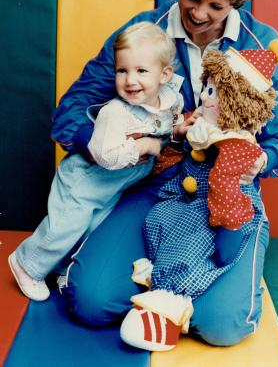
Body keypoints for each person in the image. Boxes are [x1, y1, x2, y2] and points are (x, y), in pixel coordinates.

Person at [30, 0, 278, 347]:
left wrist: (251, 159)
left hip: (226, 199)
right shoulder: (143, 32)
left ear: (237, 3)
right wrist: (118, 149)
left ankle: (211, 278)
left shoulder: (262, 48)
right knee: (90, 302)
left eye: (216, 5)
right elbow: (70, 113)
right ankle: (152, 281)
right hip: (152, 185)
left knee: (221, 326)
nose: (199, 13)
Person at [119, 40, 278, 351]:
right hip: (179, 199)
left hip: (223, 211)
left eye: (212, 93)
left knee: (219, 319)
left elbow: (229, 188)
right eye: (206, 89)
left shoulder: (234, 147)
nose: (203, 97)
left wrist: (230, 224)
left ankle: (172, 302)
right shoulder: (203, 123)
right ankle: (166, 289)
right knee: (99, 295)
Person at [8, 21, 187, 301]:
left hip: (114, 186)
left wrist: (177, 130)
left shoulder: (169, 100)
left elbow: (169, 123)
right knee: (66, 225)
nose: (130, 80)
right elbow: (105, 155)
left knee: (93, 228)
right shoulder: (115, 113)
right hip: (85, 179)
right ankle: (27, 263)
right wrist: (146, 145)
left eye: (141, 71)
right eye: (122, 71)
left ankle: (57, 265)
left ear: (164, 75)